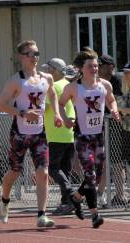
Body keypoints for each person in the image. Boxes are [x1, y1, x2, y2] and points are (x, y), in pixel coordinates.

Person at [0, 40, 63, 227]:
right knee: (15, 172)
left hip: (39, 133)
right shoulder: (16, 81)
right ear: (21, 57)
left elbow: (53, 96)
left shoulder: (46, 78)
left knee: (42, 172)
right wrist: (23, 113)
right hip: (19, 133)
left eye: (36, 53)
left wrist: (57, 113)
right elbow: (2, 105)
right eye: (30, 54)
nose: (34, 57)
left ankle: (42, 215)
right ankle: (5, 200)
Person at [59, 47, 120, 228]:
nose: (94, 69)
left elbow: (111, 100)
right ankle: (95, 215)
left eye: (96, 66)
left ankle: (76, 198)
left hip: (98, 136)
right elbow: (61, 104)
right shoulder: (73, 88)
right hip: (82, 137)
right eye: (90, 66)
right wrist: (65, 119)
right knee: (91, 175)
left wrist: (115, 110)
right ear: (81, 69)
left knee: (97, 173)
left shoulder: (104, 85)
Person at [41, 58, 76, 215]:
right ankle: (66, 203)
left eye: (48, 69)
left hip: (56, 134)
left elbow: (44, 108)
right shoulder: (67, 85)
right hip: (69, 134)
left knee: (54, 168)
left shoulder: (54, 86)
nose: (47, 72)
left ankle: (71, 194)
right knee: (65, 170)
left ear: (54, 71)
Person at [98, 55, 124, 208]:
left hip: (117, 126)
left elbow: (118, 105)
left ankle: (120, 195)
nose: (98, 69)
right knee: (107, 161)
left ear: (111, 67)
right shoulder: (98, 82)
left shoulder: (116, 81)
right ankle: (99, 194)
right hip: (106, 126)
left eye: (102, 66)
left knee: (116, 161)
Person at [115, 62, 130, 206]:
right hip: (126, 131)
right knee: (125, 163)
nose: (126, 75)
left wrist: (121, 108)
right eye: (125, 72)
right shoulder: (125, 89)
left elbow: (122, 108)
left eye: (128, 72)